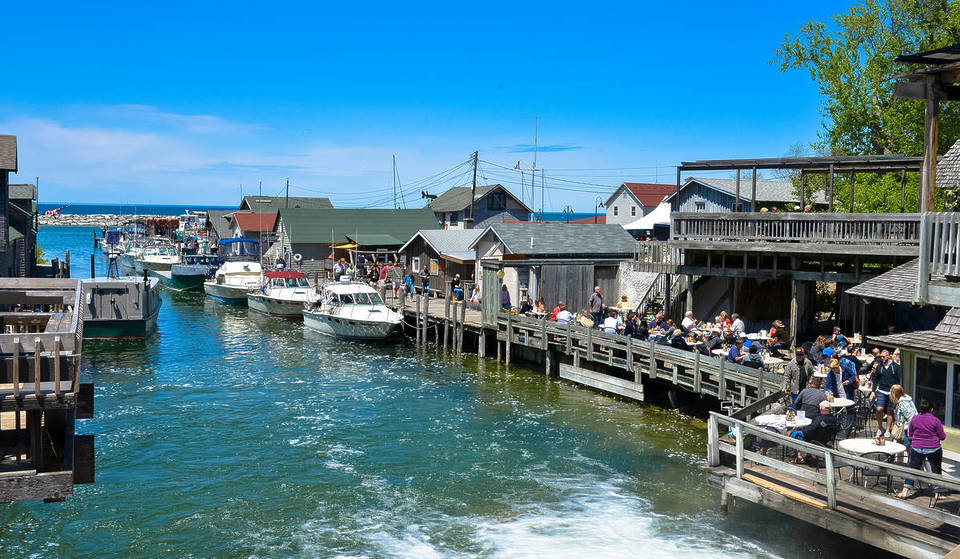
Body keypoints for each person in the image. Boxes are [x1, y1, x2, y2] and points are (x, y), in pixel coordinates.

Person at [897, 399, 946, 500]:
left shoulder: (914, 419)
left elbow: (910, 435)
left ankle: (905, 491)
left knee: (912, 469)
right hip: (933, 448)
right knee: (936, 469)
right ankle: (938, 493)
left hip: (917, 448)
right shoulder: (935, 421)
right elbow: (942, 436)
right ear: (931, 410)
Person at [871, 349, 902, 438]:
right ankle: (880, 427)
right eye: (880, 356)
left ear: (888, 356)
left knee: (890, 410)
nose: (881, 358)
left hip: (892, 391)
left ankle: (888, 429)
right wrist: (873, 391)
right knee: (879, 409)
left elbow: (899, 379)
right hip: (881, 390)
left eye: (883, 356)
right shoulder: (879, 366)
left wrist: (899, 392)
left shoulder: (895, 366)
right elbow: (875, 379)